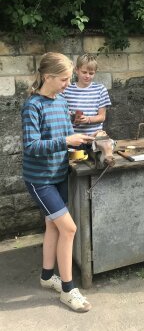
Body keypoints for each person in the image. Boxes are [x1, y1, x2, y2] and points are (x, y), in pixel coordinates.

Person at [21, 52, 94, 312]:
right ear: (47, 77)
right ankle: (67, 289)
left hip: (58, 173)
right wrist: (66, 141)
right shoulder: (33, 106)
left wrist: (84, 137)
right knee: (69, 229)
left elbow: (65, 135)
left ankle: (46, 276)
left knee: (53, 226)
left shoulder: (61, 101)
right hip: (40, 180)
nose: (67, 83)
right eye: (63, 79)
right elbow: (31, 146)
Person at [63, 54, 111, 135]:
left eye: (91, 73)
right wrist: (71, 116)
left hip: (93, 138)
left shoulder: (100, 89)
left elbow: (102, 117)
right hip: (73, 138)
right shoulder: (66, 89)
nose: (87, 76)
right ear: (76, 70)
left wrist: (88, 119)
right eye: (84, 72)